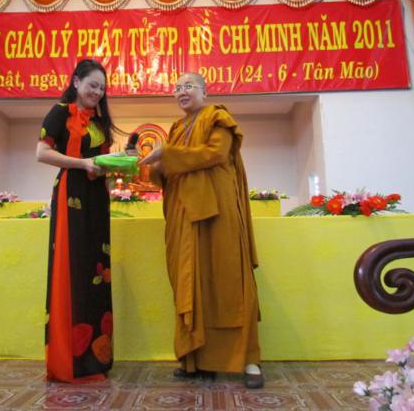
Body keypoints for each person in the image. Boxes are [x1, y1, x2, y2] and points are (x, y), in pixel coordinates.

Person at [139, 72, 264, 388]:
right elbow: (168, 172)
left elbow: (216, 154)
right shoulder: (176, 128)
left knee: (229, 281)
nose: (181, 92)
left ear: (205, 92)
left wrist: (166, 155)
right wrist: (151, 166)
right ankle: (197, 360)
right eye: (177, 88)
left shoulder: (217, 117)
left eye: (188, 87)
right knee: (188, 281)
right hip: (183, 214)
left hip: (217, 212)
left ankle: (249, 361)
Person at [36, 59, 115, 383]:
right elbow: (42, 153)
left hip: (97, 198)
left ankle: (94, 360)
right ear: (76, 81)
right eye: (92, 85)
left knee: (96, 272)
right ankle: (68, 360)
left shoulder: (99, 121)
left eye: (102, 88)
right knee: (72, 269)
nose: (97, 92)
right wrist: (83, 164)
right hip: (71, 195)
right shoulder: (60, 112)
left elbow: (101, 160)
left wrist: (115, 165)